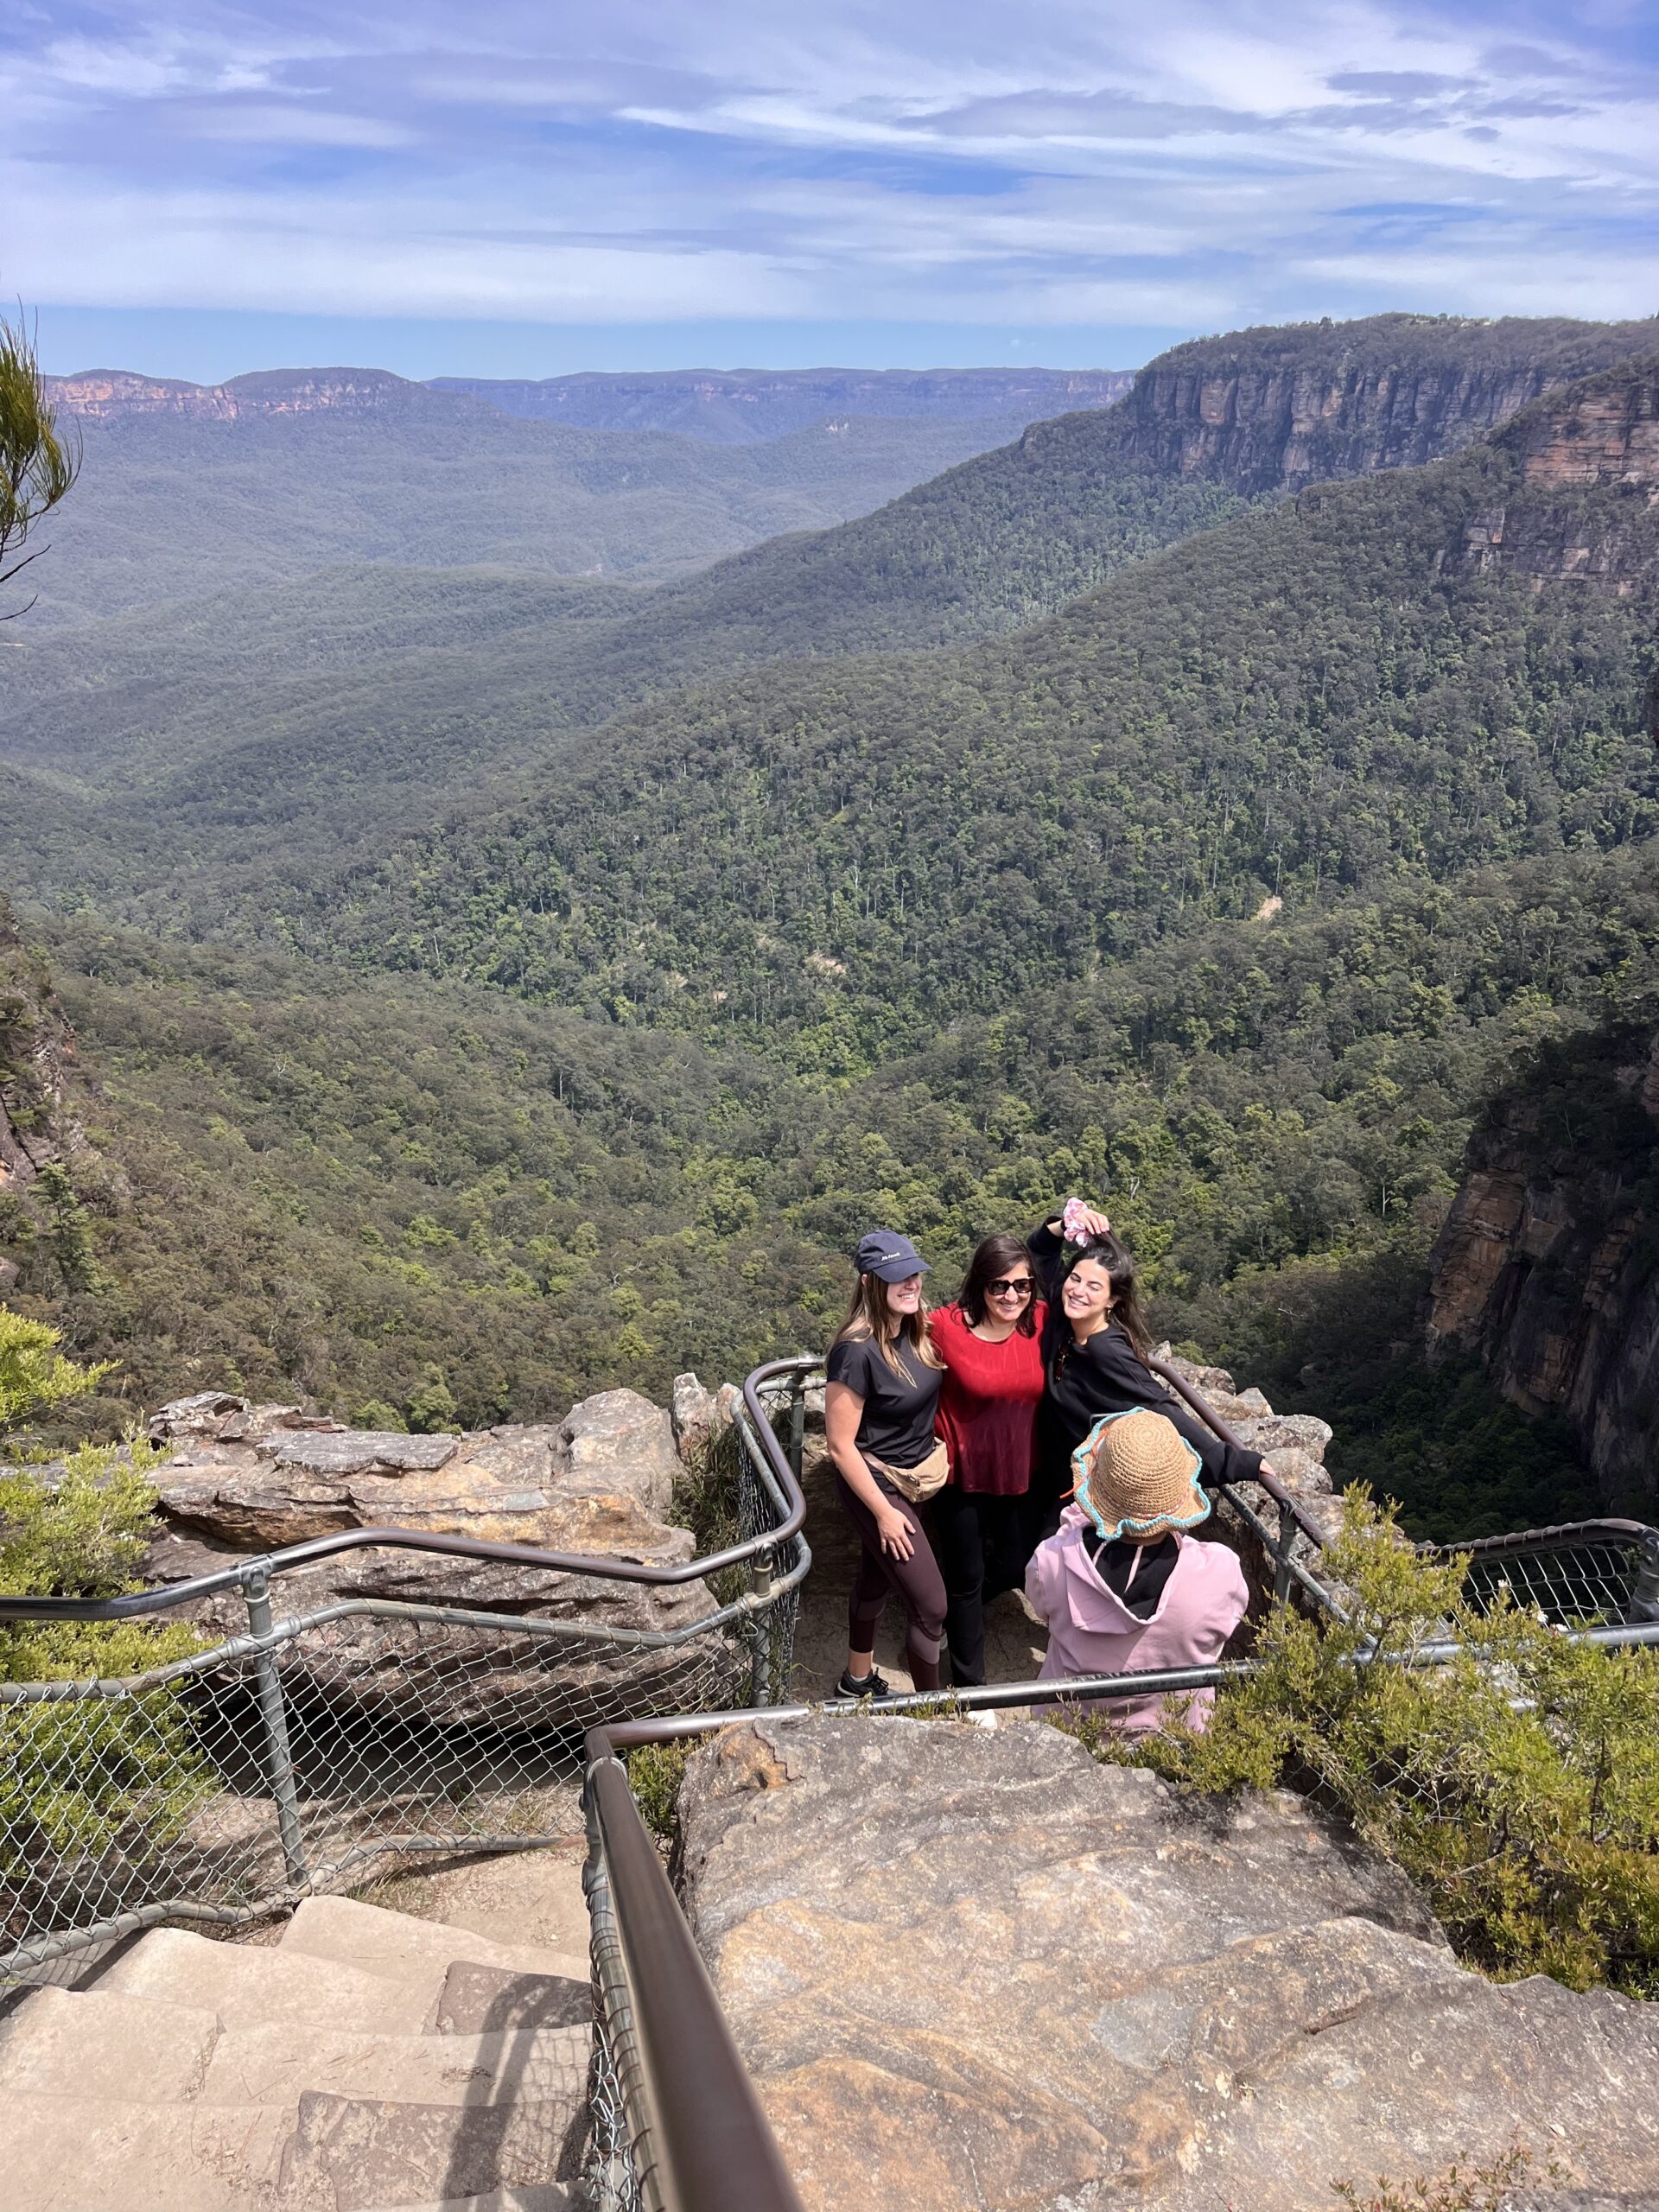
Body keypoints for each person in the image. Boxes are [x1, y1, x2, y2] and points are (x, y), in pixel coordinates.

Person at [1023, 1206, 1274, 1564]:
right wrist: (1066, 1224)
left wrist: (1233, 1462)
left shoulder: (1106, 1351)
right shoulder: (1065, 1321)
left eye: (1094, 1286)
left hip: (1100, 1488)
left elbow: (1160, 1406)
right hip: (1058, 1476)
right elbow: (1039, 1253)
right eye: (1075, 1279)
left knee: (1051, 1564)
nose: (1078, 1291)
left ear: (1112, 1300)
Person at [1025, 1404, 1249, 1735]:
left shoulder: (1053, 1561)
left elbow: (1042, 1606)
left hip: (1069, 1732)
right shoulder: (1219, 1573)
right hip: (1174, 1739)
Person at [823, 1230, 949, 1697]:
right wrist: (884, 1513)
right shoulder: (856, 1351)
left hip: (912, 1481)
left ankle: (855, 1681)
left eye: (913, 1273)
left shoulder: (914, 1331)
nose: (910, 1283)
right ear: (868, 1282)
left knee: (876, 1575)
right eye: (897, 1277)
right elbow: (839, 1445)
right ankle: (933, 1710)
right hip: (879, 1487)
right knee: (932, 1608)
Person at [927, 1233, 1047, 1686]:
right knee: (966, 1578)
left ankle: (946, 1618)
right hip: (962, 1476)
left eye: (1021, 1285)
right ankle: (969, 1688)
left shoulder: (1040, 1320)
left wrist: (1060, 1228)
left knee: (1017, 1565)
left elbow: (1090, 1291)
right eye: (998, 1285)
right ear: (979, 1284)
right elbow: (891, 1330)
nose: (1011, 1295)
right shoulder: (945, 1326)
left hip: (1023, 1471)